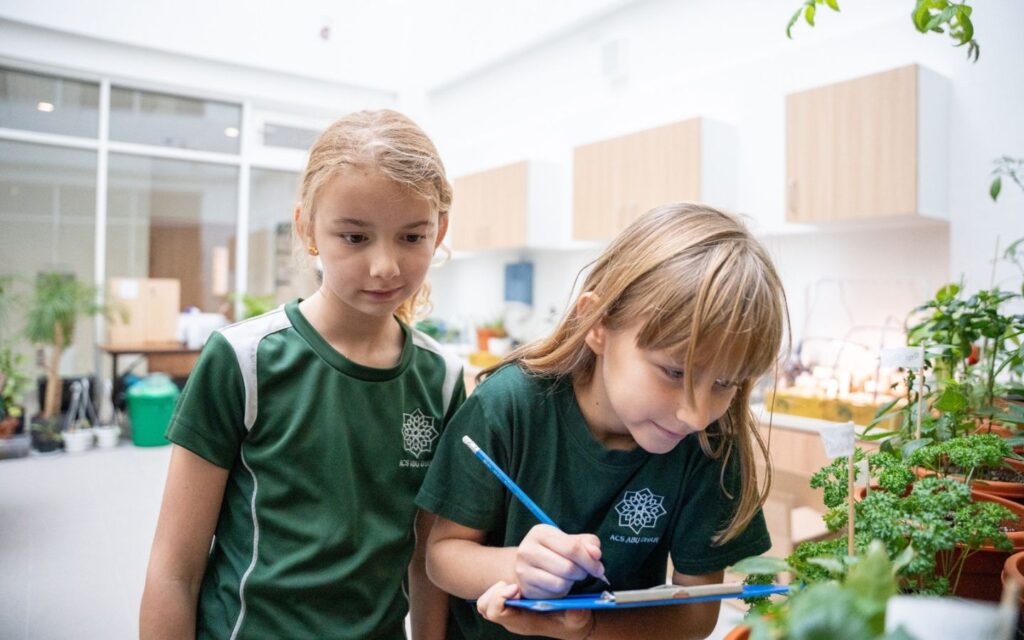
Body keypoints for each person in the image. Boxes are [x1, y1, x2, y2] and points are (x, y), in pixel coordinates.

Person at [140, 109, 464, 640]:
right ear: (308, 229)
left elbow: (429, 561)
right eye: (355, 238)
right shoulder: (241, 360)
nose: (385, 266)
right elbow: (175, 569)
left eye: (411, 237)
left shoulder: (443, 379)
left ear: (440, 231)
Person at [416, 203, 788, 640]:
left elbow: (696, 612)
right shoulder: (507, 405)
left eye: (726, 382)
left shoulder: (709, 443)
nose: (696, 412)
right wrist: (516, 565)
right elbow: (441, 556)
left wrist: (586, 629)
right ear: (597, 323)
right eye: (674, 372)